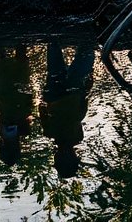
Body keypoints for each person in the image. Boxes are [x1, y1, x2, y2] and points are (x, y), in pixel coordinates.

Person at [39, 42, 95, 179]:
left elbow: (78, 115)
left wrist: (85, 94)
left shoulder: (76, 137)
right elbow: (41, 109)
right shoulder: (50, 132)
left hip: (72, 96)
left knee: (82, 61)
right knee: (55, 66)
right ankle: (55, 40)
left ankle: (84, 41)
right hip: (57, 95)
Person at [0, 45, 34, 166]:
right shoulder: (2, 132)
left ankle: (21, 41)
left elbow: (28, 111)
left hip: (19, 96)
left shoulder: (24, 131)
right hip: (2, 94)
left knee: (20, 64)